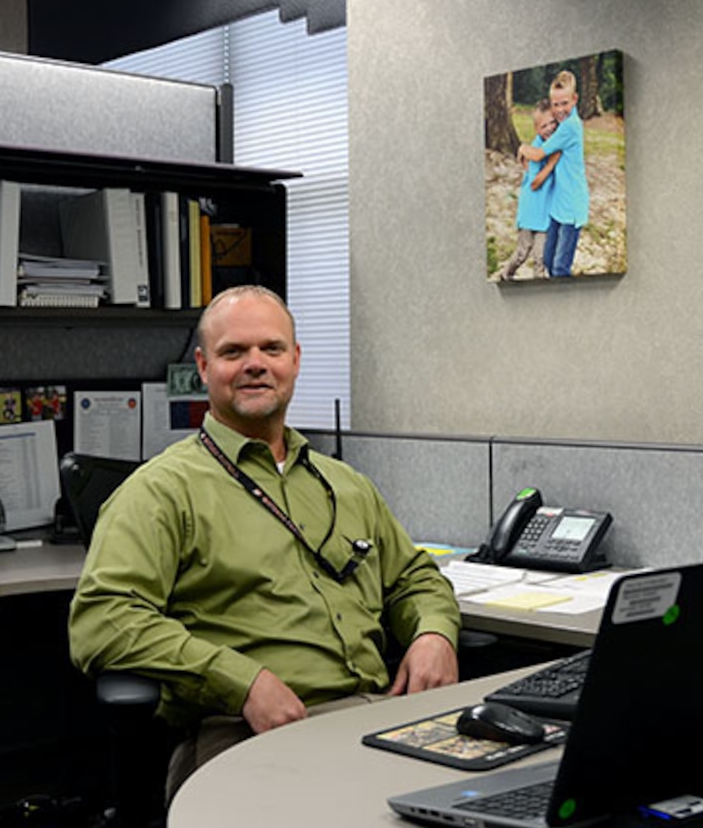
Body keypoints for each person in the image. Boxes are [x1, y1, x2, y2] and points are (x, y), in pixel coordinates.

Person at [69, 285, 461, 796]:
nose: (256, 364)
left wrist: (434, 633)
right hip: (244, 732)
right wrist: (241, 681)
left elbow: (413, 578)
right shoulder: (159, 492)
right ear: (204, 367)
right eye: (234, 352)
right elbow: (102, 620)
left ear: (295, 361)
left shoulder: (345, 484)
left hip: (373, 719)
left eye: (271, 349)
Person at [518, 70, 590, 278]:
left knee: (559, 267)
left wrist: (522, 148)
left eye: (564, 103)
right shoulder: (561, 124)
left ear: (575, 99)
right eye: (555, 104)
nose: (559, 110)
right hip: (558, 204)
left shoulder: (570, 127)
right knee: (548, 259)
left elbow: (539, 154)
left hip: (572, 206)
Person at [499, 98, 563, 281]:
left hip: (545, 212)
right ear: (536, 129)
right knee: (522, 251)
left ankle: (540, 287)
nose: (550, 128)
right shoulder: (534, 148)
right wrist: (551, 163)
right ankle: (506, 274)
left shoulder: (554, 144)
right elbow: (535, 183)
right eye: (544, 126)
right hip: (530, 210)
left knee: (540, 257)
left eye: (553, 122)